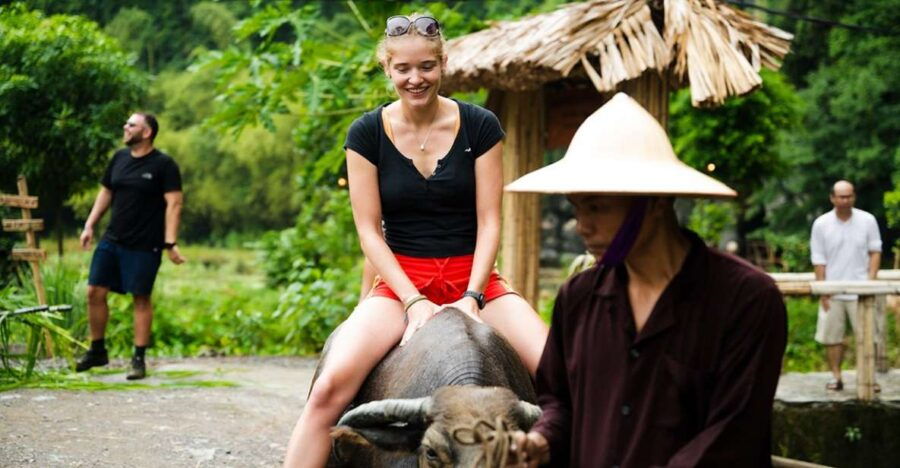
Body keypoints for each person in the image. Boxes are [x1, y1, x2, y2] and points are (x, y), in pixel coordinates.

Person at [283, 14, 549, 468]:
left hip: (476, 277)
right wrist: (411, 301)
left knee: (569, 377)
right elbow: (368, 229)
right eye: (403, 68)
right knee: (329, 390)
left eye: (426, 66)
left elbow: (490, 221)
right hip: (400, 283)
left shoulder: (481, 126)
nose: (415, 78)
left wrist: (473, 296)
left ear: (443, 64)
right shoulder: (365, 134)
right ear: (387, 69)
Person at [505, 93, 788, 467]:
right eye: (577, 207)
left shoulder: (746, 299)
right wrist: (543, 439)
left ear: (654, 203)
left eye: (597, 207)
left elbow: (734, 433)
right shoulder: (579, 298)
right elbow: (559, 400)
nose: (582, 226)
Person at [75, 112, 185, 380]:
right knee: (94, 292)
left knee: (141, 298)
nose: (125, 127)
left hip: (145, 244)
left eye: (132, 124)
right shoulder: (119, 159)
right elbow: (106, 192)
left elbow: (174, 203)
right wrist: (90, 224)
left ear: (146, 133)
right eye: (126, 123)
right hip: (112, 240)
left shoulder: (164, 165)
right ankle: (98, 350)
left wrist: (170, 242)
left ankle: (138, 358)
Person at [811, 180, 883, 391]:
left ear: (854, 197)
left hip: (862, 289)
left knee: (868, 337)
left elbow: (875, 251)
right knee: (832, 337)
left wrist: (871, 282)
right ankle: (836, 376)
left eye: (849, 196)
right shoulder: (821, 224)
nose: (845, 200)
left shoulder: (867, 220)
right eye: (841, 196)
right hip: (832, 289)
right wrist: (823, 290)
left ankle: (869, 376)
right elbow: (818, 258)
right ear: (832, 198)